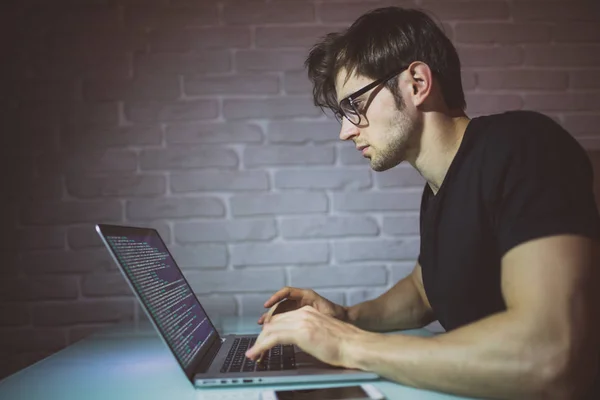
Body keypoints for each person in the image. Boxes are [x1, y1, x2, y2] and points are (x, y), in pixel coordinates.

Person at [244, 7, 600, 399]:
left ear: (416, 82)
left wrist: (347, 344)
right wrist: (345, 316)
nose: (346, 131)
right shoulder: (438, 187)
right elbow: (423, 290)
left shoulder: (524, 146)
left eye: (354, 106)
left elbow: (550, 353)